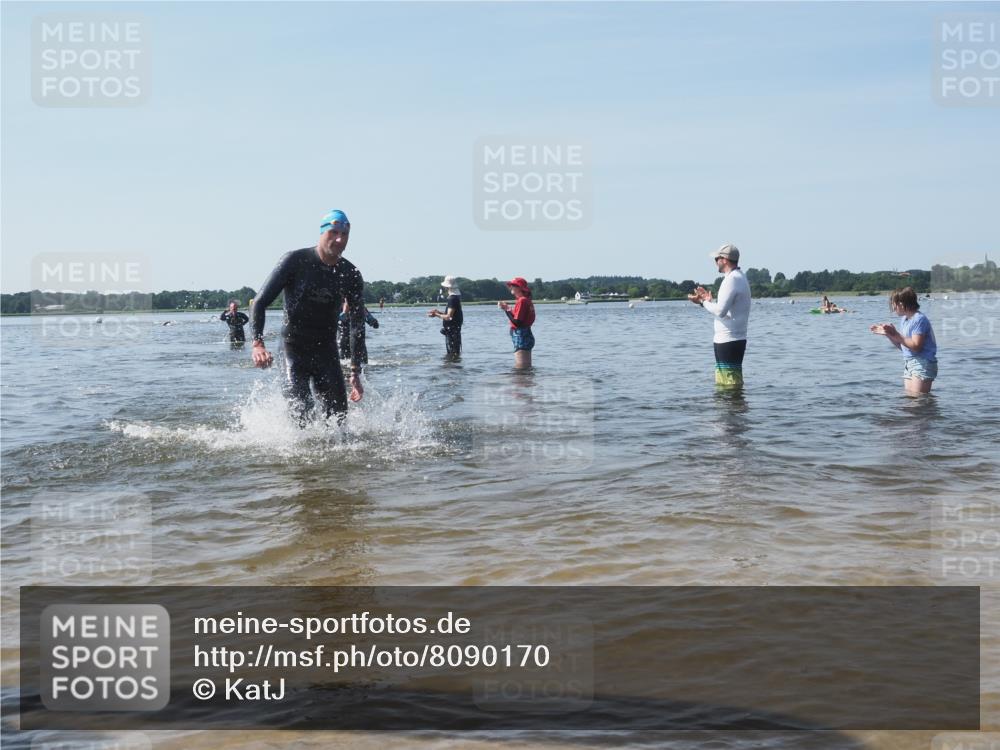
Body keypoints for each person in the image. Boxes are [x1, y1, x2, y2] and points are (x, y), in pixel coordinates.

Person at [250, 209, 365, 424]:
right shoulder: (295, 260)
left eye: (345, 234)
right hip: (293, 348)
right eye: (333, 232)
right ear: (322, 232)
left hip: (326, 351)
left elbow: (357, 325)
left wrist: (355, 371)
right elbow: (259, 303)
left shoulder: (351, 274)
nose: (339, 239)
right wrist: (257, 343)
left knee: (339, 420)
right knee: (302, 414)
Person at [688, 243, 751, 387]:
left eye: (717, 258)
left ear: (724, 260)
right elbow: (725, 309)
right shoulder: (739, 276)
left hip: (729, 339)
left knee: (728, 384)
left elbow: (720, 312)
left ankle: (732, 409)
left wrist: (703, 302)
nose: (715, 262)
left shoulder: (731, 279)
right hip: (732, 338)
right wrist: (709, 301)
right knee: (729, 382)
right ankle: (734, 408)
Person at [870, 286, 938, 395]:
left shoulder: (919, 319)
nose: (893, 307)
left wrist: (896, 334)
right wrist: (889, 335)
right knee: (911, 402)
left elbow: (916, 346)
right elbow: (904, 346)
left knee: (918, 402)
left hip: (922, 363)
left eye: (894, 303)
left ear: (901, 304)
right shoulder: (905, 320)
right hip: (910, 363)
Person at [498, 277, 535, 368]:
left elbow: (518, 322)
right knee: (526, 368)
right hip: (526, 334)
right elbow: (519, 319)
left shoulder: (522, 301)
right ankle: (527, 382)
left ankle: (523, 382)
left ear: (519, 287)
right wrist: (508, 309)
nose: (510, 287)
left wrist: (506, 310)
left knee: (521, 369)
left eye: (512, 285)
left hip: (521, 335)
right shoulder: (526, 300)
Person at [428, 275, 463, 356]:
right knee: (455, 354)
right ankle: (455, 367)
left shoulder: (452, 299)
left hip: (452, 332)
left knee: (452, 354)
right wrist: (439, 313)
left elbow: (448, 317)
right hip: (454, 331)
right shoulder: (455, 298)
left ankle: (452, 367)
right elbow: (451, 315)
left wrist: (436, 314)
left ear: (447, 287)